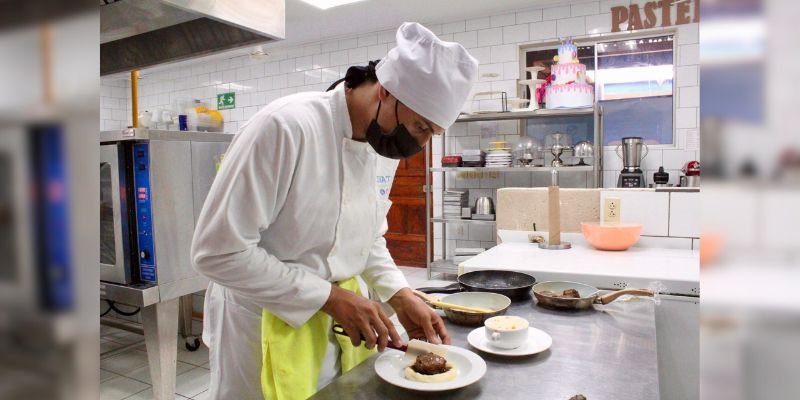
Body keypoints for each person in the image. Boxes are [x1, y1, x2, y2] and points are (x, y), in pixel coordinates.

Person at [190, 22, 479, 400]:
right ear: (385, 90)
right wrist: (329, 297)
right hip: (258, 327)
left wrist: (398, 292)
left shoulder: (382, 142)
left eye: (432, 133)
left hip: (333, 326)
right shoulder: (286, 127)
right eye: (420, 126)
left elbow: (367, 237)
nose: (420, 144)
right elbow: (217, 252)